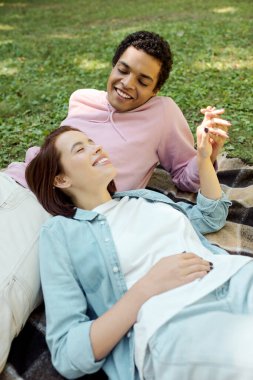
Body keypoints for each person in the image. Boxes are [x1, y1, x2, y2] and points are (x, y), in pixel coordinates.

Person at [0, 30, 230, 372]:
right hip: (14, 183)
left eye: (143, 80)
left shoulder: (162, 114)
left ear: (155, 90)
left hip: (45, 209)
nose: (126, 83)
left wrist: (207, 154)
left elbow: (185, 174)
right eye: (122, 69)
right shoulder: (82, 99)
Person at [25, 120, 253, 380]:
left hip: (234, 276)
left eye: (92, 142)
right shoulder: (61, 233)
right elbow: (69, 354)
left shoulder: (144, 198)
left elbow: (211, 217)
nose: (96, 148)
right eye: (80, 149)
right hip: (175, 318)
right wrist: (148, 287)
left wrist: (203, 158)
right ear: (61, 179)